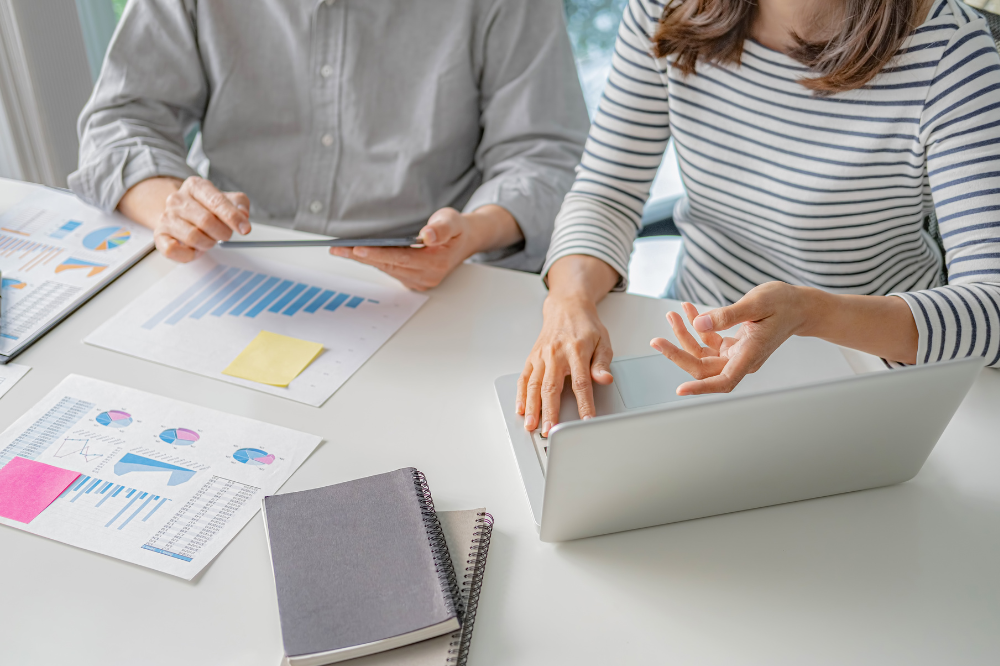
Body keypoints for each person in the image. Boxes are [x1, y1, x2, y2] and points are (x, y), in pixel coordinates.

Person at [518, 0, 1000, 436]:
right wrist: (569, 302)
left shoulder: (953, 52)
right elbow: (606, 193)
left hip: (869, 376)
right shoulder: (665, 7)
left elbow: (993, 310)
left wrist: (811, 313)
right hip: (688, 354)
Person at [70, 0, 589, 290]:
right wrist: (174, 209)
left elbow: (544, 156)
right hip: (231, 268)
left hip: (419, 284)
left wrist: (473, 232)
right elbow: (122, 118)